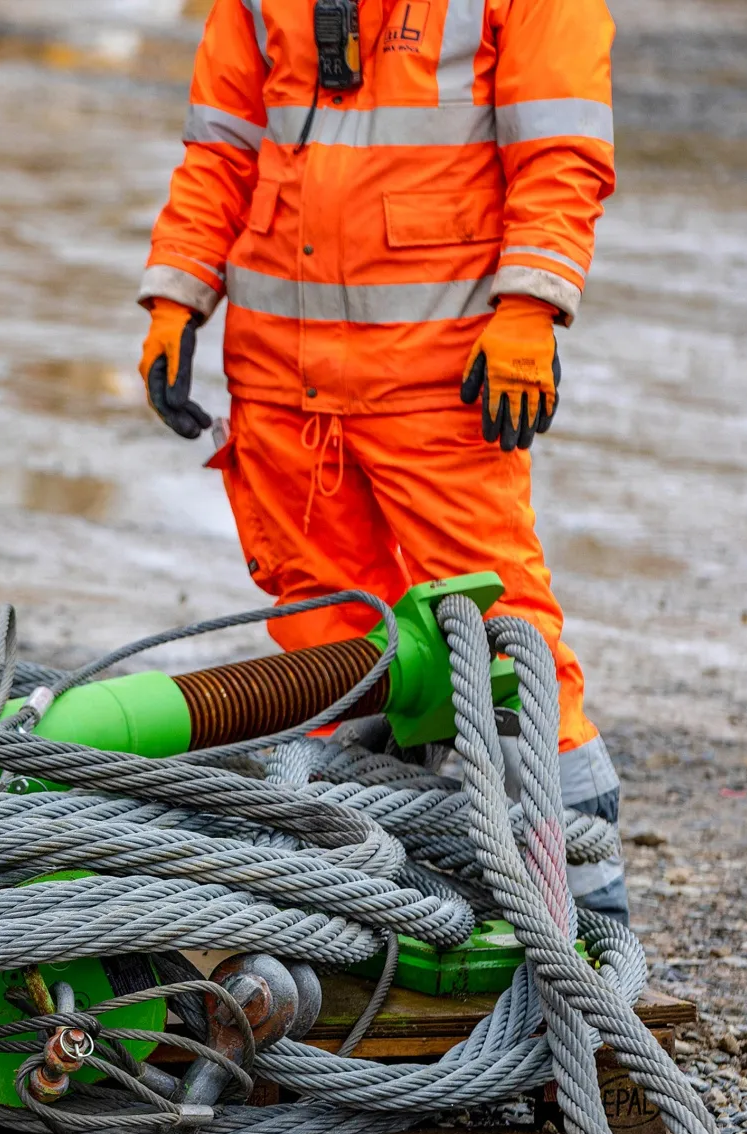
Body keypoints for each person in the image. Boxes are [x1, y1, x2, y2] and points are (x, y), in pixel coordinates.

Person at [136, 0, 626, 918]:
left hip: (437, 376)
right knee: (331, 647)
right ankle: (374, 902)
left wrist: (532, 304)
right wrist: (179, 290)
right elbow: (222, 151)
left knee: (502, 646)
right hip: (282, 386)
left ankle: (588, 929)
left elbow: (561, 152)